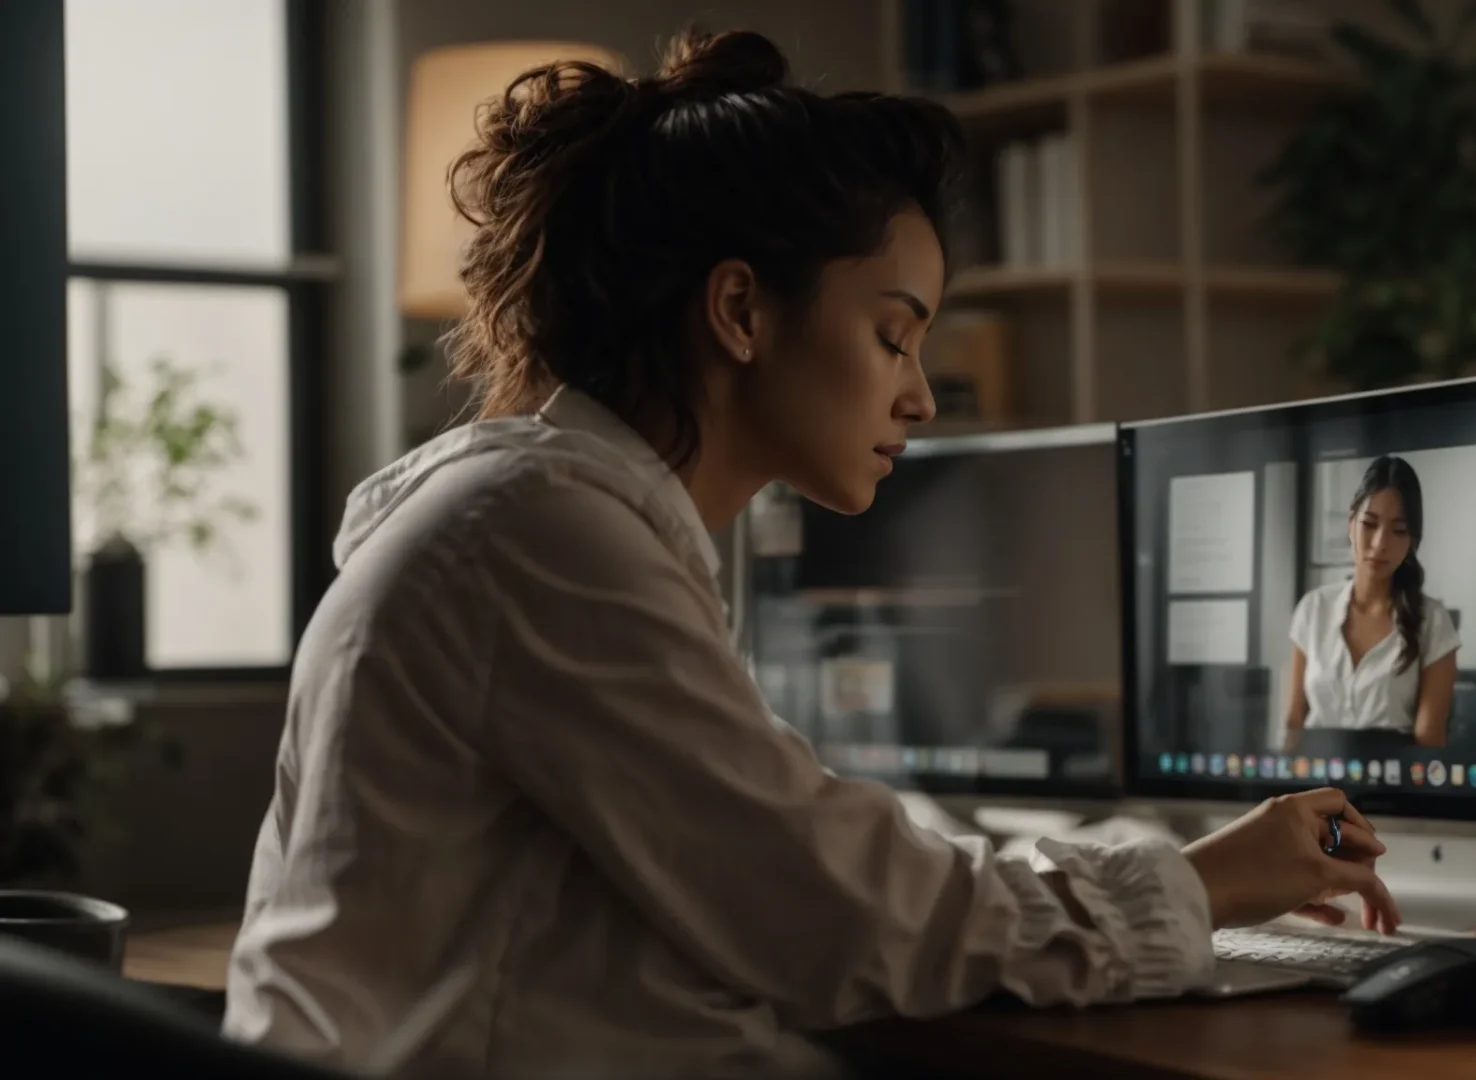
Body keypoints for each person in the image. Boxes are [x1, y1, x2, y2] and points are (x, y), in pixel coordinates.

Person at [221, 29, 1401, 1080]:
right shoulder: (539, 536)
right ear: (740, 312)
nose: (922, 397)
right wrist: (1199, 884)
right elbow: (841, 921)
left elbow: (804, 865)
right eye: (893, 336)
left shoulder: (546, 514)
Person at [1283, 456, 1460, 751]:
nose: (1380, 544)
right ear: (1351, 523)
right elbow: (1294, 720)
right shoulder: (1314, 608)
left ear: (1412, 540)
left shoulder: (1433, 621)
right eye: (1369, 524)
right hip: (1313, 784)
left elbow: (1429, 740)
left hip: (1392, 787)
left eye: (1398, 530)